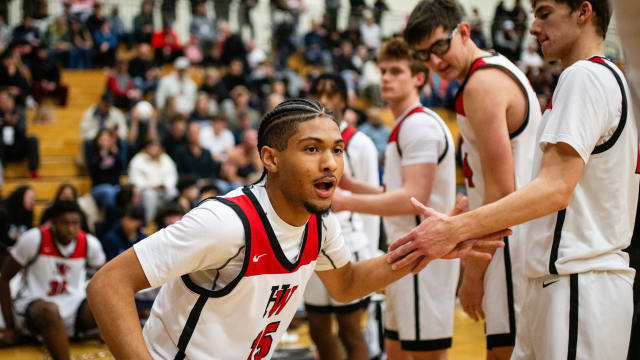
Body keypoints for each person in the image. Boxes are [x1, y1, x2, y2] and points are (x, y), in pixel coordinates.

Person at [86, 99, 504, 359]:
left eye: (336, 150)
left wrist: (424, 247)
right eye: (312, 149)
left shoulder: (320, 225)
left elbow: (346, 284)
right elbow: (107, 285)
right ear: (270, 158)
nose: (331, 163)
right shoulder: (224, 223)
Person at [389, 1, 638, 359]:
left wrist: (461, 243)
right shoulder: (598, 77)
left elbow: (549, 189)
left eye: (544, 13)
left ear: (584, 12)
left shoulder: (580, 77)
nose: (533, 28)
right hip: (561, 272)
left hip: (568, 273)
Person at [403, 1, 542, 357]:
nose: (434, 61)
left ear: (463, 32)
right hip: (519, 242)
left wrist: (473, 275)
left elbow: (501, 193)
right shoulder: (495, 71)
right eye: (424, 55)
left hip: (508, 247)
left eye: (439, 47)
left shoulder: (481, 85)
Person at [332, 38, 458, 360]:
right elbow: (397, 195)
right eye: (383, 71)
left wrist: (347, 200)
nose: (386, 78)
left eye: (396, 71)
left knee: (425, 356)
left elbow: (412, 199)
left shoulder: (417, 125)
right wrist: (354, 186)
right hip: (407, 254)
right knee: (396, 351)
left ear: (418, 78)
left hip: (424, 258)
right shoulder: (406, 124)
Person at [304, 74, 380, 360]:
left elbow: (373, 204)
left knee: (351, 330)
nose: (325, 100)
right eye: (320, 93)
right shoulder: (304, 140)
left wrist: (370, 255)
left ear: (344, 100)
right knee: (318, 330)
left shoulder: (360, 143)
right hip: (311, 243)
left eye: (332, 93)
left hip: (348, 242)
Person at [0, 200, 106, 360]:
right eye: (65, 223)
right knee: (50, 311)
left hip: (73, 304)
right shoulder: (34, 239)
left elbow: (105, 278)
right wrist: (10, 327)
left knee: (107, 302)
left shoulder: (90, 243)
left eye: (75, 223)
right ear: (53, 224)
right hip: (35, 304)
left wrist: (105, 321)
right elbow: (4, 278)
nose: (71, 229)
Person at [128, 139, 178, 222]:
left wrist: (166, 185)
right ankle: (149, 221)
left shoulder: (165, 159)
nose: (154, 149)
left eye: (156, 147)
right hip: (146, 190)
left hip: (163, 190)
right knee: (150, 195)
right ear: (147, 148)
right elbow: (135, 178)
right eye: (152, 147)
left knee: (173, 192)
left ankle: (169, 220)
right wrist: (149, 186)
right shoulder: (138, 159)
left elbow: (171, 176)